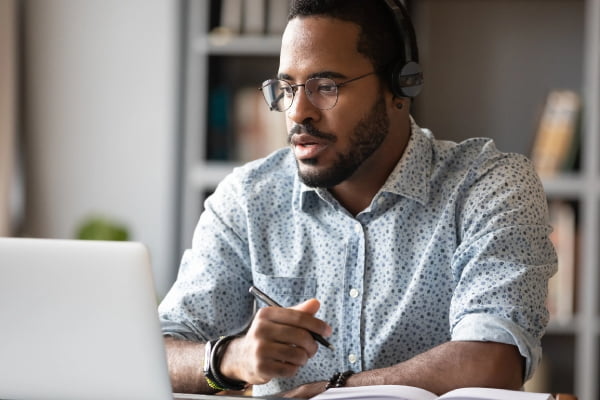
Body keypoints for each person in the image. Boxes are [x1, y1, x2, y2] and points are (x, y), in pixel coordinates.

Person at [158, 0, 557, 398]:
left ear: (401, 87)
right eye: (287, 89)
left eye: (326, 87)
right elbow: (157, 352)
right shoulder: (248, 199)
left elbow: (491, 362)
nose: (298, 113)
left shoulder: (487, 186)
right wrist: (228, 359)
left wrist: (330, 391)